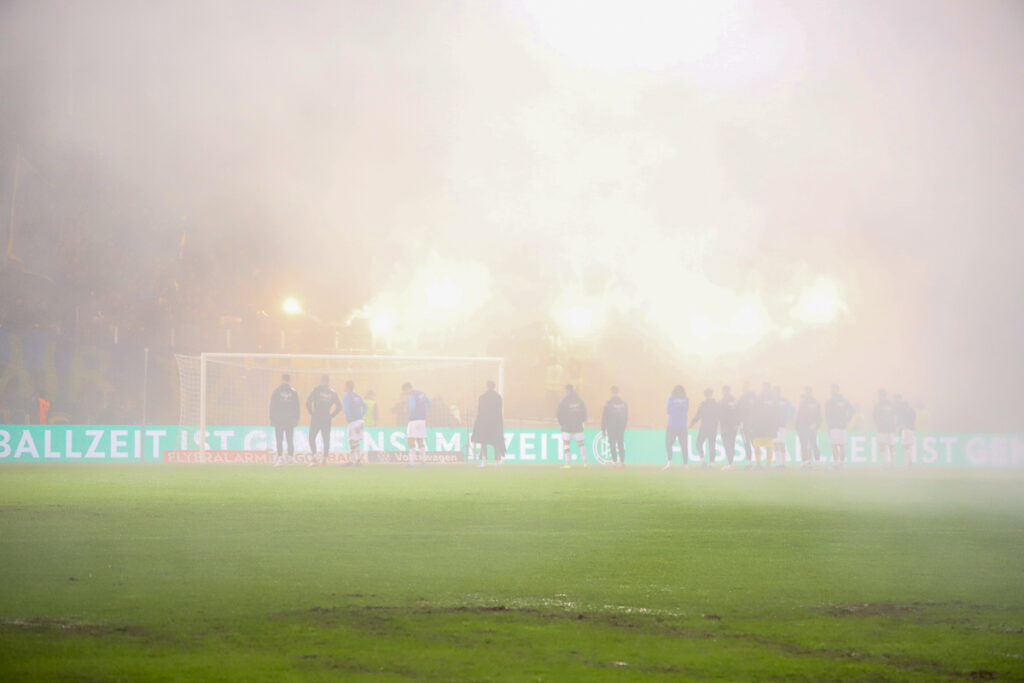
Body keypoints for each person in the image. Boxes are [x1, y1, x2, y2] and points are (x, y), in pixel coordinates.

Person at [306, 375, 342, 466]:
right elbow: (339, 407)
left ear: (322, 381)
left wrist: (311, 413)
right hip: (326, 417)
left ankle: (315, 458)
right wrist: (331, 416)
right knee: (326, 438)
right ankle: (324, 460)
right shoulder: (333, 392)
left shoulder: (316, 390)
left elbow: (308, 402)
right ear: (328, 381)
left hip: (317, 416)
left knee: (311, 437)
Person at [268, 373, 300, 466]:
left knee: (279, 439)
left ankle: (279, 459)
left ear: (282, 379)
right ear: (289, 380)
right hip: (289, 419)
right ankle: (290, 458)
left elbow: (272, 406)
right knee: (289, 439)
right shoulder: (293, 392)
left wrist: (272, 418)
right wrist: (296, 418)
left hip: (279, 419)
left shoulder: (276, 391)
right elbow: (297, 407)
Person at [471, 380, 505, 466]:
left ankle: (484, 461)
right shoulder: (498, 397)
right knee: (496, 442)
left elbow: (480, 412)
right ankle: (497, 462)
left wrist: (478, 423)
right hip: (495, 423)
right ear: (494, 386)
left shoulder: (482, 397)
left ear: (487, 386)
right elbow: (499, 412)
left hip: (485, 423)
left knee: (484, 442)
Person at [557, 384, 588, 468]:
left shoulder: (564, 400)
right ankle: (585, 463)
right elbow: (584, 412)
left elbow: (559, 413)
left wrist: (562, 423)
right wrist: (582, 421)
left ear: (566, 390)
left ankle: (567, 464)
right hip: (578, 425)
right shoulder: (579, 400)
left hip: (567, 426)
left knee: (566, 443)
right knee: (581, 443)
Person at [748, 382, 777, 469]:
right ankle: (758, 463)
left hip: (769, 427)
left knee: (769, 446)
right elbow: (754, 410)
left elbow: (776, 412)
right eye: (763, 387)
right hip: (759, 427)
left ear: (769, 388)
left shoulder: (773, 398)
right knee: (756, 445)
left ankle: (768, 463)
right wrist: (752, 424)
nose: (764, 389)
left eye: (765, 387)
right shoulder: (759, 397)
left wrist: (775, 426)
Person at [825, 384, 855, 468]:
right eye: (832, 389)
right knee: (834, 445)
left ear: (838, 390)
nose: (833, 391)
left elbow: (852, 410)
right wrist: (829, 425)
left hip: (841, 426)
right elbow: (827, 414)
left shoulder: (843, 400)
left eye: (835, 389)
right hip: (833, 426)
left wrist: (846, 419)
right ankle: (836, 463)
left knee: (841, 445)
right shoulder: (829, 401)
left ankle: (841, 464)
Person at [402, 382, 431, 465]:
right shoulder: (422, 393)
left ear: (407, 388)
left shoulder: (412, 395)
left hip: (414, 420)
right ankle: (423, 461)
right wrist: (424, 411)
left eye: (405, 391)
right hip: (422, 419)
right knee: (420, 440)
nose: (405, 393)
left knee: (411, 439)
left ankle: (412, 463)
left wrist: (410, 415)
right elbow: (429, 402)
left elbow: (413, 406)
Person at [689, 388, 718, 468]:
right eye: (707, 393)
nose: (708, 395)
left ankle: (709, 463)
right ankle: (705, 462)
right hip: (706, 427)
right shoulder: (704, 404)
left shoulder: (714, 403)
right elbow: (698, 415)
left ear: (711, 394)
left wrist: (692, 423)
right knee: (700, 444)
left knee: (710, 445)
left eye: (708, 393)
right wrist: (692, 423)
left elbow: (719, 415)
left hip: (709, 427)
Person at [601, 386, 629, 468]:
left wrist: (603, 429)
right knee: (620, 443)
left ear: (612, 392)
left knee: (612, 444)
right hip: (620, 427)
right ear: (618, 392)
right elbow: (626, 416)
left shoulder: (608, 403)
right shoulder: (624, 404)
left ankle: (614, 462)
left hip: (611, 427)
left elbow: (604, 417)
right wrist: (624, 426)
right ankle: (622, 462)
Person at [794, 386, 822, 467]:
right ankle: (805, 461)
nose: (807, 393)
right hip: (803, 427)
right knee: (804, 444)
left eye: (808, 392)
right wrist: (797, 426)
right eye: (806, 392)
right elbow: (799, 416)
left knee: (813, 444)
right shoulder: (802, 402)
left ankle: (817, 461)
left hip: (811, 427)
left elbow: (819, 416)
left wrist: (816, 425)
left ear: (811, 392)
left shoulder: (815, 402)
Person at [342, 380, 368, 465]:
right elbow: (365, 407)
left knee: (352, 440)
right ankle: (357, 460)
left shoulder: (346, 397)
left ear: (348, 387)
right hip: (360, 421)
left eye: (345, 386)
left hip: (353, 421)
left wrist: (349, 418)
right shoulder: (358, 396)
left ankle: (353, 461)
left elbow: (346, 409)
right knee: (355, 440)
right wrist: (361, 415)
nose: (344, 387)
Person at [664, 385, 689, 470]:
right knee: (684, 445)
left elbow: (668, 411)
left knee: (668, 443)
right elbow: (686, 410)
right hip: (682, 425)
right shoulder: (686, 399)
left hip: (672, 424)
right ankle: (685, 465)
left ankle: (669, 462)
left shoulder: (670, 399)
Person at [718, 385, 741, 470]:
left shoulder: (723, 401)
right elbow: (738, 412)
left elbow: (722, 414)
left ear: (723, 391)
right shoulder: (734, 400)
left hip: (726, 426)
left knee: (727, 445)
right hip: (734, 426)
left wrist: (722, 424)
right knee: (731, 444)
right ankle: (730, 463)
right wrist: (737, 424)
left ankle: (730, 464)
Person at [873, 389, 898, 467]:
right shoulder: (877, 405)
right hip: (881, 429)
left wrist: (895, 425)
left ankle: (892, 463)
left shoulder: (890, 404)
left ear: (883, 395)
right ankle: (885, 463)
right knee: (882, 446)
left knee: (891, 446)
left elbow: (895, 415)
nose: (878, 397)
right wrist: (878, 423)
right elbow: (874, 416)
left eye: (879, 395)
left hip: (890, 428)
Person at [773, 385, 794, 467]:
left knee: (780, 443)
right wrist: (788, 419)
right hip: (776, 425)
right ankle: (779, 463)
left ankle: (781, 463)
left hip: (780, 425)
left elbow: (793, 409)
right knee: (777, 443)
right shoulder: (782, 400)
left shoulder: (782, 400)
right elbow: (793, 409)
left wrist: (788, 419)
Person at [737, 382, 757, 465]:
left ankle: (754, 463)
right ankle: (751, 462)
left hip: (749, 424)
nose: (744, 388)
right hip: (746, 424)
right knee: (748, 443)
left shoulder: (751, 397)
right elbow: (738, 411)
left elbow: (738, 411)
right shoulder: (743, 397)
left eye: (746, 387)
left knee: (752, 443)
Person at [893, 393, 916, 468]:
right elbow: (914, 419)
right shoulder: (912, 410)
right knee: (907, 446)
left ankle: (909, 463)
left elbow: (900, 419)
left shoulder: (902, 411)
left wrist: (898, 426)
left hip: (906, 429)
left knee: (905, 446)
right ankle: (908, 462)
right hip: (911, 429)